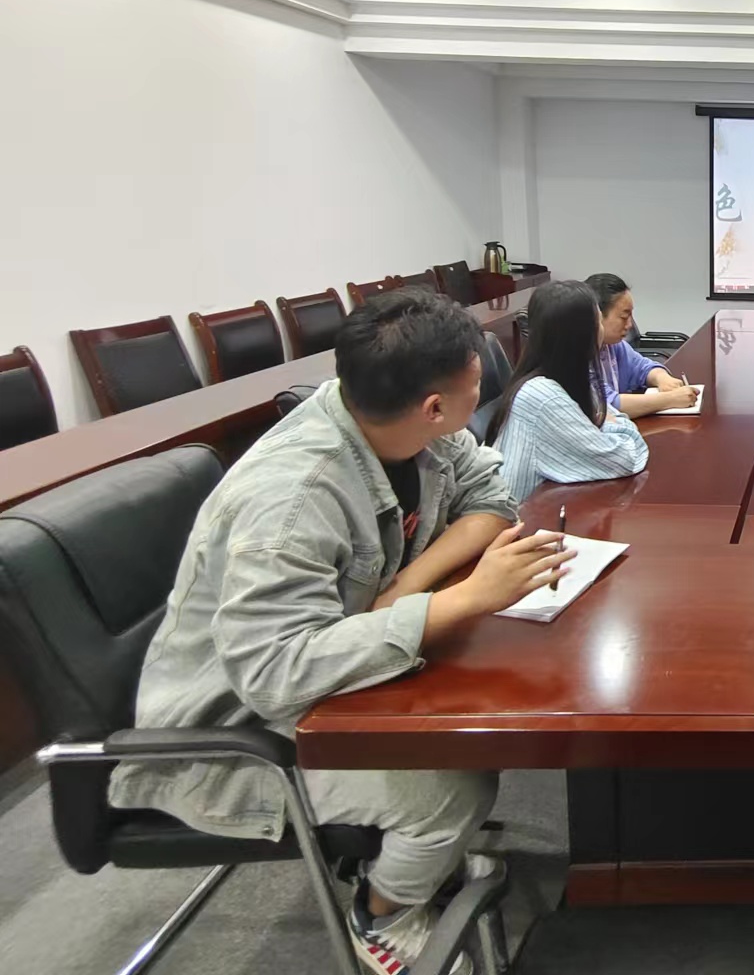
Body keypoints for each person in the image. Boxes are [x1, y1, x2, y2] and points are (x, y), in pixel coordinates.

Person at [109, 289, 575, 975]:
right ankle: (383, 913)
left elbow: (491, 495)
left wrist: (407, 586)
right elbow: (276, 676)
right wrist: (468, 598)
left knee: (476, 716)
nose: (482, 395)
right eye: (475, 384)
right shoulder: (293, 499)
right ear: (435, 406)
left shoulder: (408, 424)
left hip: (327, 680)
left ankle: (411, 858)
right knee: (452, 787)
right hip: (235, 737)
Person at [490, 280, 650, 499]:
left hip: (549, 504)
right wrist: (616, 424)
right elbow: (624, 459)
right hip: (523, 516)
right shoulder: (543, 396)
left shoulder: (565, 379)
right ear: (582, 335)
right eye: (598, 321)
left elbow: (605, 419)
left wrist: (607, 421)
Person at [585, 272, 698, 419]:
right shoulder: (578, 355)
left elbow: (642, 367)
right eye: (624, 317)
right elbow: (606, 405)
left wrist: (661, 378)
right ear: (597, 317)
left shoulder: (613, 345)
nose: (629, 324)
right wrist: (670, 399)